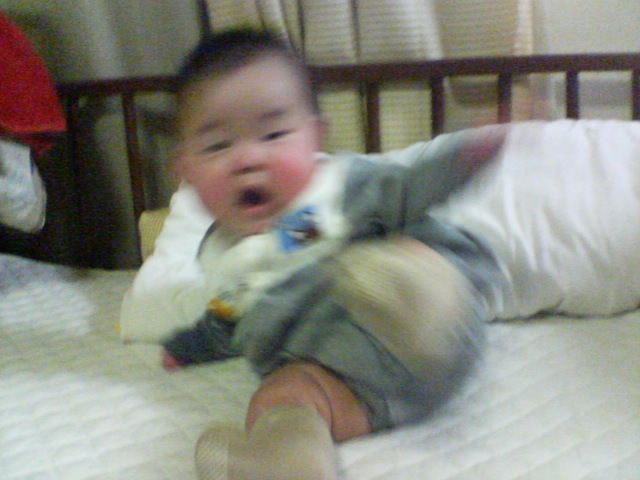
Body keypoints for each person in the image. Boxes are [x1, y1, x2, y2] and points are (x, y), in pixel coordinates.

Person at [150, 28, 505, 480]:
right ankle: (289, 460)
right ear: (186, 171)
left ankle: (416, 302)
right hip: (351, 386)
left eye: (274, 133)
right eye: (218, 145)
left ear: (314, 138)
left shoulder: (334, 194)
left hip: (426, 334)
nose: (247, 159)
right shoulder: (223, 259)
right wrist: (189, 348)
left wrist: (460, 159)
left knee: (384, 265)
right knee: (283, 394)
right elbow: (225, 319)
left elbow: (408, 188)